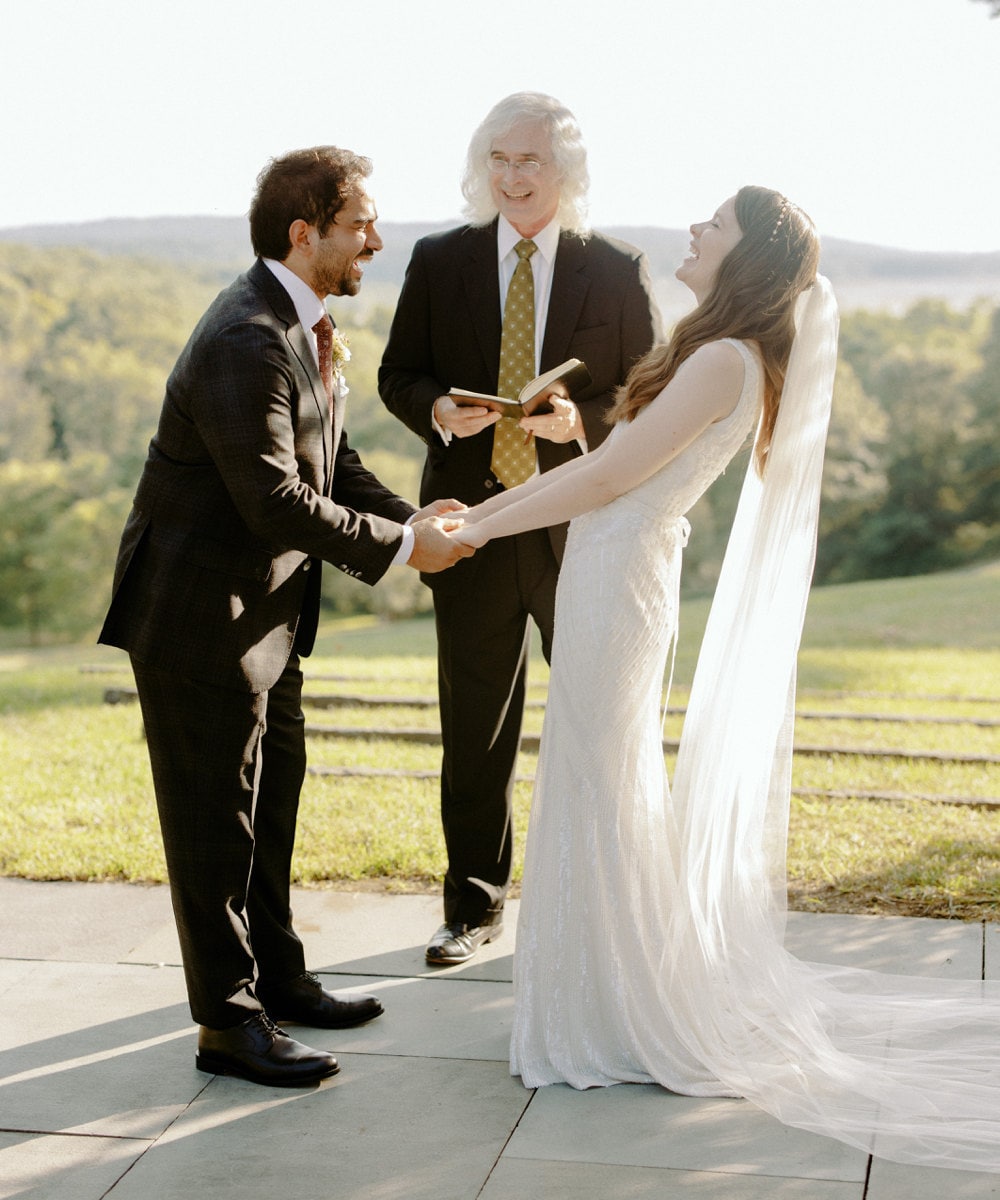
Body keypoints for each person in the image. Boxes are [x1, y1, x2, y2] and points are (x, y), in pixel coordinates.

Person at [450, 186, 1000, 1173]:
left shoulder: (720, 359)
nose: (694, 231)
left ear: (744, 255)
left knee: (599, 782)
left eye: (714, 224)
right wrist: (575, 442)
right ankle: (607, 991)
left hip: (618, 577)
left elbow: (619, 483)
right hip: (618, 568)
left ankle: (617, 1013)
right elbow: (623, 465)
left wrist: (479, 524)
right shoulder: (727, 357)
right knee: (598, 779)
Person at [99, 147, 472, 1088]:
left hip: (268, 618)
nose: (377, 242)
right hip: (197, 618)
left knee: (270, 807)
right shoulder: (247, 339)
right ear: (304, 235)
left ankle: (280, 979)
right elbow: (272, 498)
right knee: (214, 824)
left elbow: (330, 468)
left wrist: (411, 518)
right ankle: (228, 1026)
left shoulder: (302, 324)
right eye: (361, 226)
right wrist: (397, 553)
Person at [379, 93, 662, 966]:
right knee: (473, 731)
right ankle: (471, 908)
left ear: (565, 171)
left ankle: (603, 911)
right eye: (498, 160)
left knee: (598, 722)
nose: (511, 176)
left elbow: (646, 397)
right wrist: (436, 409)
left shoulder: (615, 267)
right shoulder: (439, 260)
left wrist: (581, 421)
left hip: (581, 526)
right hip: (472, 525)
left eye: (529, 161)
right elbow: (399, 373)